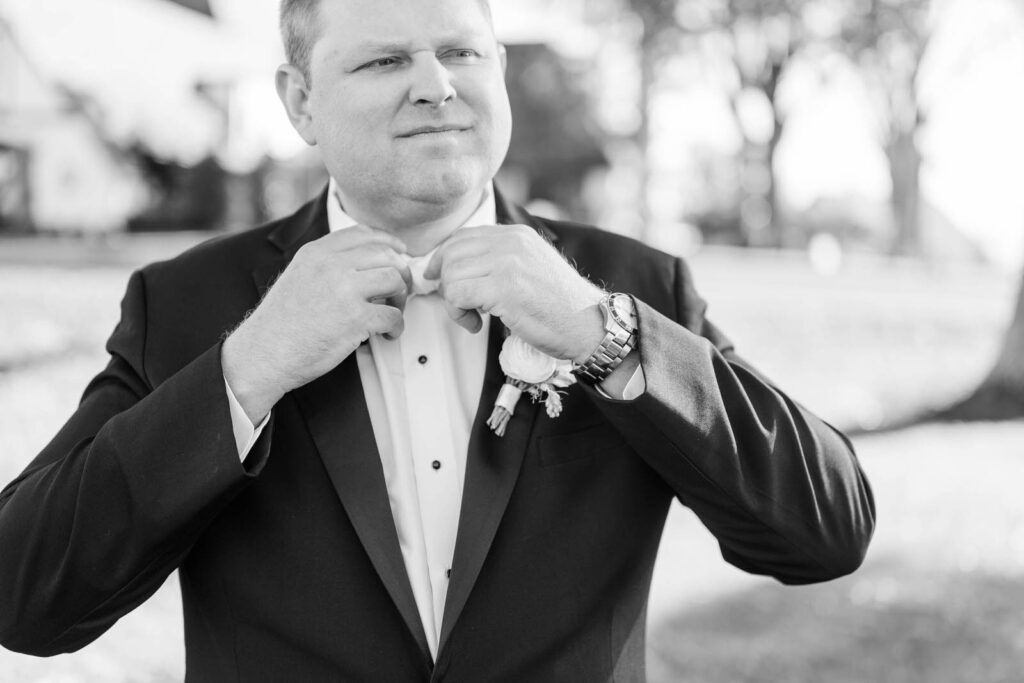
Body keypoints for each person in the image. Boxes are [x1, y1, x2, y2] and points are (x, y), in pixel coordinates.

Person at [0, 0, 875, 680]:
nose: (436, 84)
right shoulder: (187, 303)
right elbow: (28, 593)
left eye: (460, 51)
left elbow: (827, 530)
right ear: (300, 101)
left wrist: (599, 336)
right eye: (385, 59)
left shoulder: (632, 290)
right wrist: (248, 368)